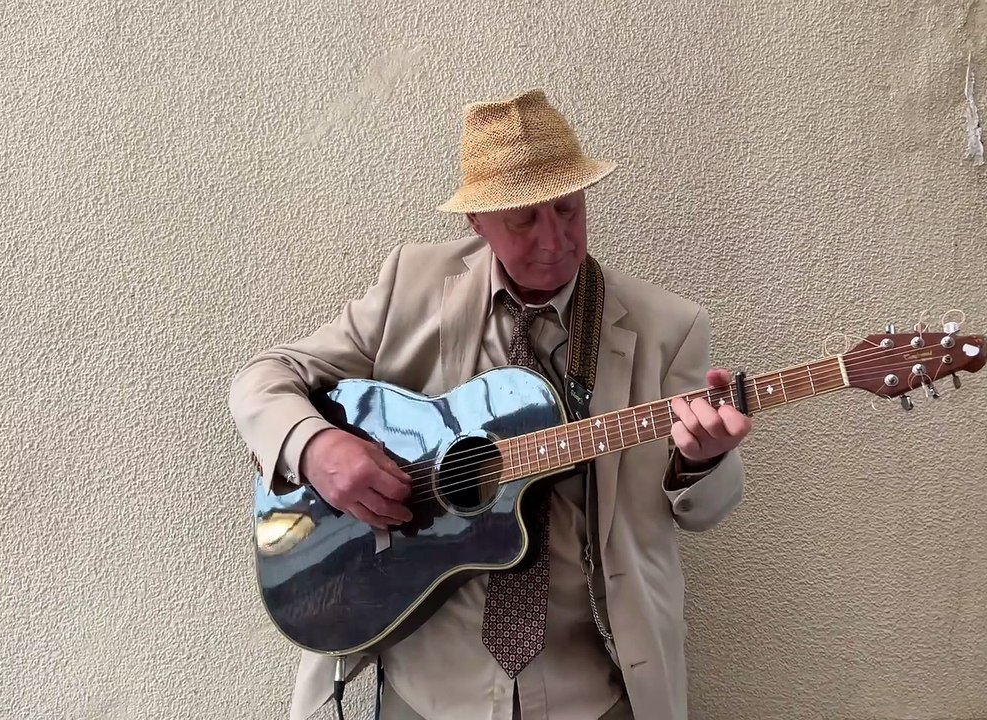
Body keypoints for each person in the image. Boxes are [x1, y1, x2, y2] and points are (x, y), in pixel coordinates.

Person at [228, 88, 751, 720]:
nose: (555, 239)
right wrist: (317, 448)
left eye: (568, 209)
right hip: (426, 692)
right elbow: (263, 379)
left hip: (592, 692)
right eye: (525, 219)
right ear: (477, 222)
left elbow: (702, 513)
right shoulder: (411, 287)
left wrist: (704, 461)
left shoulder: (668, 327)